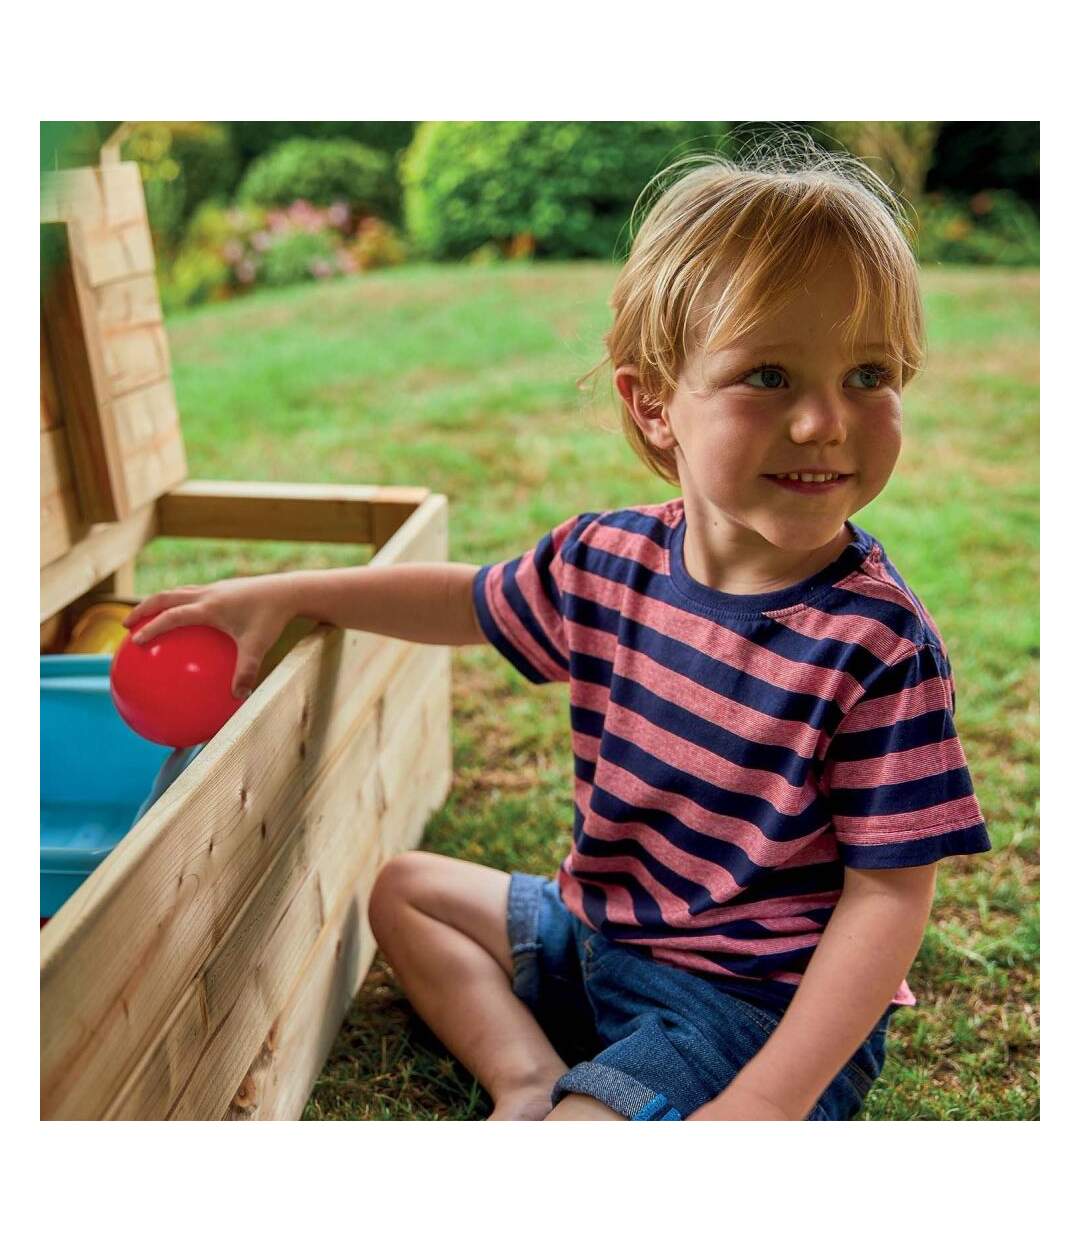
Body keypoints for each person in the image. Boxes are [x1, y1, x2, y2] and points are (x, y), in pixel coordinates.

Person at [122, 137, 991, 1121]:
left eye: (869, 376)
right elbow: (464, 601)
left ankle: (588, 1101)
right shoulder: (607, 561)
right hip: (597, 935)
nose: (825, 423)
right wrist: (293, 594)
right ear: (654, 404)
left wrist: (763, 1108)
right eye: (770, 377)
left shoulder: (876, 645)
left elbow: (888, 899)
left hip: (747, 1012)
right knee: (407, 892)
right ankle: (526, 1078)